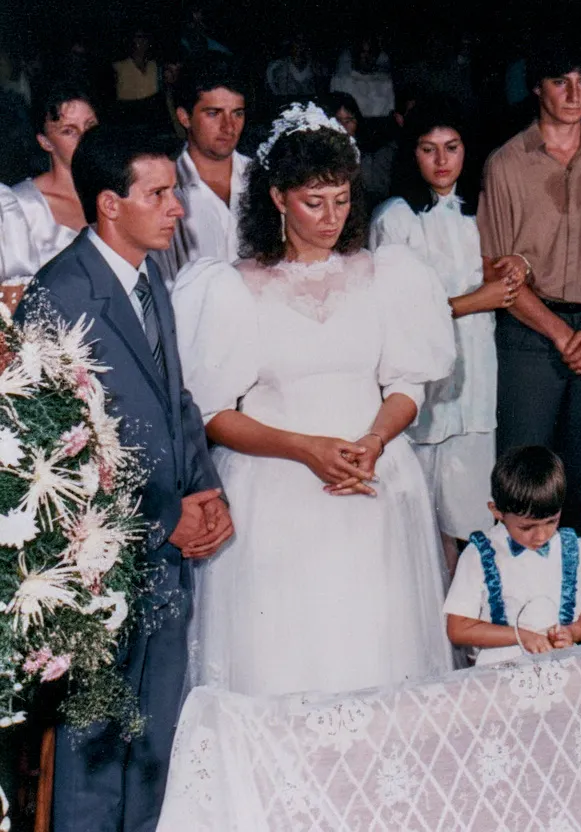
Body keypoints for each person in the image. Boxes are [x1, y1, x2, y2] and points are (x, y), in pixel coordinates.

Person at [172, 103, 456, 697]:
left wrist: (374, 440)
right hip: (278, 489)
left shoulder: (386, 274)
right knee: (290, 657)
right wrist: (304, 450)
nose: (332, 218)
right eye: (313, 201)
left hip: (369, 481)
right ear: (277, 197)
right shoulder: (232, 288)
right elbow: (214, 414)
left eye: (343, 199)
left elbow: (406, 384)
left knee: (374, 650)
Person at [14, 125, 232, 832]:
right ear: (110, 204)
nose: (178, 209)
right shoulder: (60, 293)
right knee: (97, 756)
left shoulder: (149, 278)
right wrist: (168, 514)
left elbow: (176, 400)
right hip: (103, 570)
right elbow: (55, 451)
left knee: (153, 750)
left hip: (164, 562)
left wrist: (207, 490)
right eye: (161, 194)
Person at [478, 39, 581, 546]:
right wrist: (557, 331)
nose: (574, 94)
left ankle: (578, 601)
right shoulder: (506, 164)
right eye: (560, 81)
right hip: (530, 332)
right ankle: (512, 598)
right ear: (536, 87)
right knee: (521, 472)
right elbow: (494, 267)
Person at [370, 102, 517, 573]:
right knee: (424, 524)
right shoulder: (397, 217)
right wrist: (479, 298)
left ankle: (474, 622)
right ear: (411, 154)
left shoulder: (479, 212)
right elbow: (399, 314)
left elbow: (503, 275)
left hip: (475, 385)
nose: (441, 161)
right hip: (424, 393)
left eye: (451, 148)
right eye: (428, 149)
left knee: (475, 516)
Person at [443, 445, 581, 665]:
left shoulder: (573, 548)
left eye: (552, 521)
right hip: (501, 664)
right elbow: (458, 628)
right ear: (496, 511)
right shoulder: (480, 554)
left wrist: (574, 631)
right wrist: (523, 636)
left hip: (561, 661)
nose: (541, 536)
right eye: (526, 527)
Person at [0, 80, 98, 310]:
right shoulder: (19, 206)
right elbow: (11, 309)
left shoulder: (117, 194)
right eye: (68, 131)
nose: (84, 139)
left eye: (90, 126)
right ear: (45, 142)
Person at [158, 56, 249, 285]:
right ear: (184, 117)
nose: (229, 127)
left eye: (237, 113)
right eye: (213, 113)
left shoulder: (264, 178)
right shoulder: (162, 189)